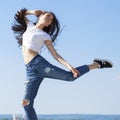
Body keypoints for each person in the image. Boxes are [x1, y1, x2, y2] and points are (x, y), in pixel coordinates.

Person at [11, 8, 113, 120]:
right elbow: (20, 13)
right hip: (30, 70)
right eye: (48, 15)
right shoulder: (29, 25)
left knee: (70, 77)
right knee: (26, 103)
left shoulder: (45, 36)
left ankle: (95, 64)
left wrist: (69, 66)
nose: (50, 19)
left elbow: (55, 55)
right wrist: (33, 12)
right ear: (41, 15)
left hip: (39, 64)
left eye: (51, 20)